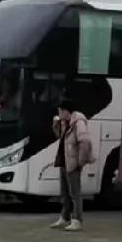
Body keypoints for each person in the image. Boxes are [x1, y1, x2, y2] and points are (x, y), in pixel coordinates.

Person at [50, 98, 92, 231]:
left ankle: (77, 219)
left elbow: (85, 141)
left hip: (73, 162)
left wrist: (81, 161)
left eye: (60, 111)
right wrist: (56, 125)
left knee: (75, 192)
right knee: (65, 192)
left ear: (66, 111)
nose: (59, 113)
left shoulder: (78, 122)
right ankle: (65, 217)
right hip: (64, 160)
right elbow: (61, 138)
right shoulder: (64, 122)